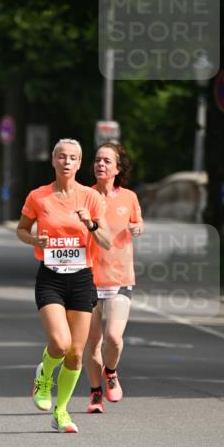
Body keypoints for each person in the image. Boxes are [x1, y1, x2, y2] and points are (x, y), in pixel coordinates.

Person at [16, 138, 111, 433]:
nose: (67, 161)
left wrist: (91, 225)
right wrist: (34, 240)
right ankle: (44, 376)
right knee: (60, 343)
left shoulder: (91, 198)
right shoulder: (38, 197)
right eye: (62, 156)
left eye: (73, 157)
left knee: (76, 352)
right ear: (54, 161)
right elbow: (21, 229)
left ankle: (61, 411)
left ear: (80, 163)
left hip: (82, 278)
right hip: (51, 277)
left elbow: (107, 241)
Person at [83, 142, 144, 413]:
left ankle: (111, 371)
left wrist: (137, 227)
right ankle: (96, 394)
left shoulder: (129, 197)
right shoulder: (84, 196)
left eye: (107, 161)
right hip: (88, 277)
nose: (100, 165)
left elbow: (137, 221)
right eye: (97, 160)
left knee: (114, 338)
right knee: (92, 341)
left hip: (120, 278)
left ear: (118, 168)